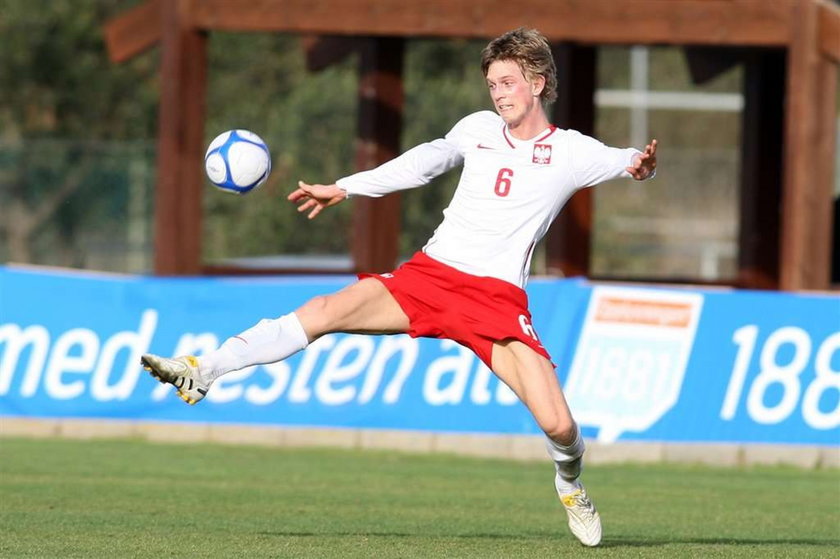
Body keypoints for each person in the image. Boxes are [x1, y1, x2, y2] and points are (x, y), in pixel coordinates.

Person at [141, 27, 657, 547]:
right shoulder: (478, 127)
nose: (498, 93)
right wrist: (345, 187)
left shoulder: (568, 150)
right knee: (326, 309)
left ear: (539, 82)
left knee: (560, 428)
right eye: (492, 84)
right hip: (430, 277)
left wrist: (641, 165)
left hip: (496, 301)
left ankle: (569, 484)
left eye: (507, 82)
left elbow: (625, 160)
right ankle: (202, 371)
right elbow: (423, 162)